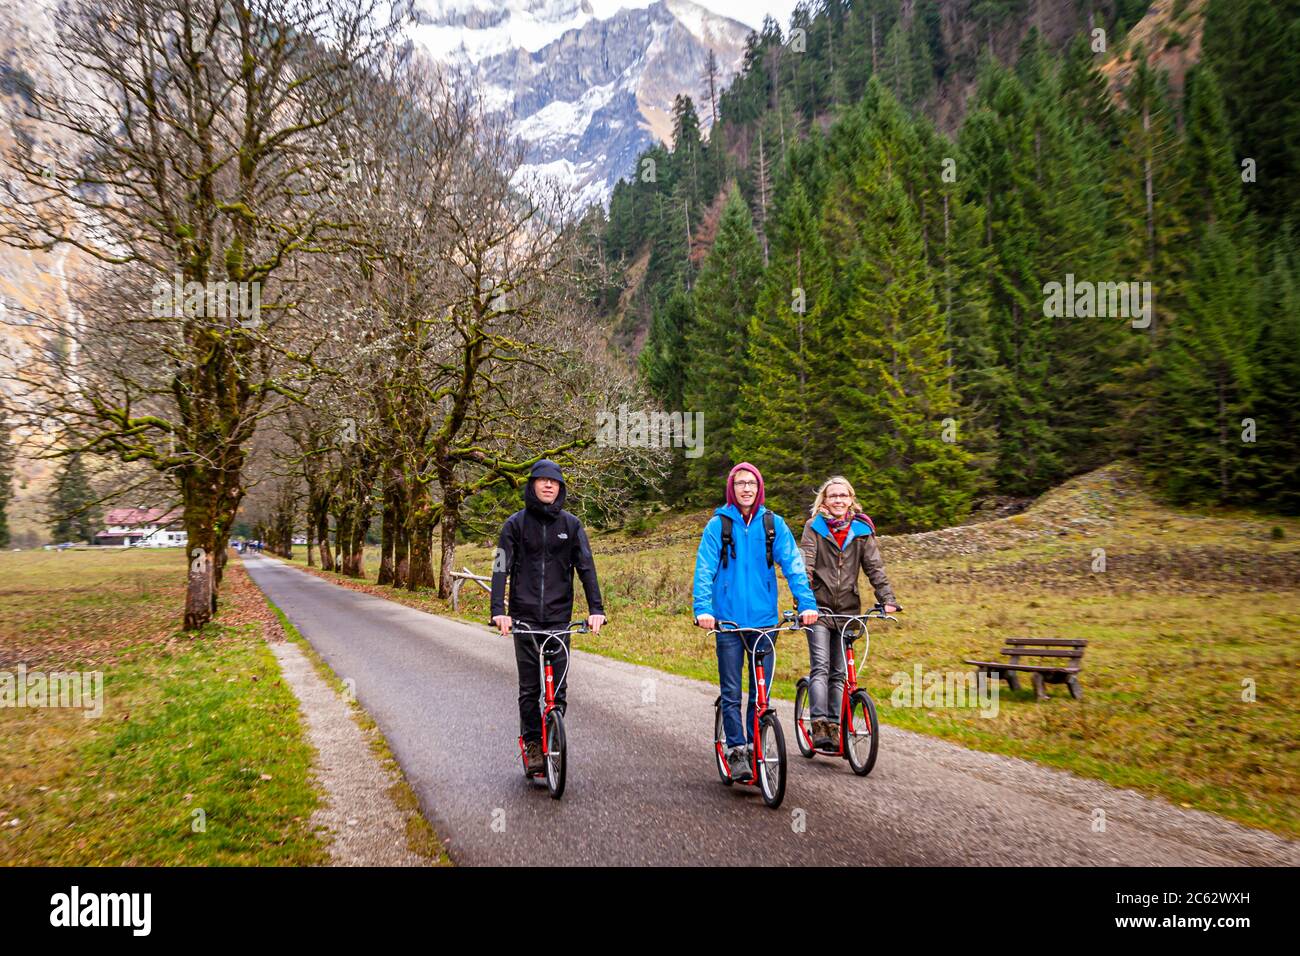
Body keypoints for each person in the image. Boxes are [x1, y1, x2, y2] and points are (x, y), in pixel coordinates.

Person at [692, 462, 818, 783]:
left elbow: (793, 566)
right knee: (732, 690)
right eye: (740, 483)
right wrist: (703, 609)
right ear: (731, 488)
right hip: (728, 624)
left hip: (765, 623)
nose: (746, 488)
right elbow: (705, 571)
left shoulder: (773, 524)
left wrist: (807, 604)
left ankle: (756, 743)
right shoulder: (717, 526)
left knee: (760, 694)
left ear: (759, 487)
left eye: (751, 483)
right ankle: (736, 749)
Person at [490, 460, 605, 775]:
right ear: (532, 485)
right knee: (529, 689)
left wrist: (596, 609)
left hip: (558, 619)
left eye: (554, 482)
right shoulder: (514, 525)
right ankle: (532, 744)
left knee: (559, 691)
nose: (548, 486)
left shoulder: (572, 526)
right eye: (542, 481)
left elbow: (586, 568)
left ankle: (552, 735)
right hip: (524, 619)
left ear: (560, 488)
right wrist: (498, 612)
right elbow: (500, 568)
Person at [799, 475, 900, 751]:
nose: (839, 500)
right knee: (821, 667)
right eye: (833, 496)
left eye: (843, 496)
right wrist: (804, 603)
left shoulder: (861, 530)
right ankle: (819, 726)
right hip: (817, 609)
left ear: (851, 499)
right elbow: (806, 566)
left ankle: (835, 727)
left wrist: (887, 599)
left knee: (839, 673)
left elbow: (874, 568)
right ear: (825, 500)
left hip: (848, 611)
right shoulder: (814, 527)